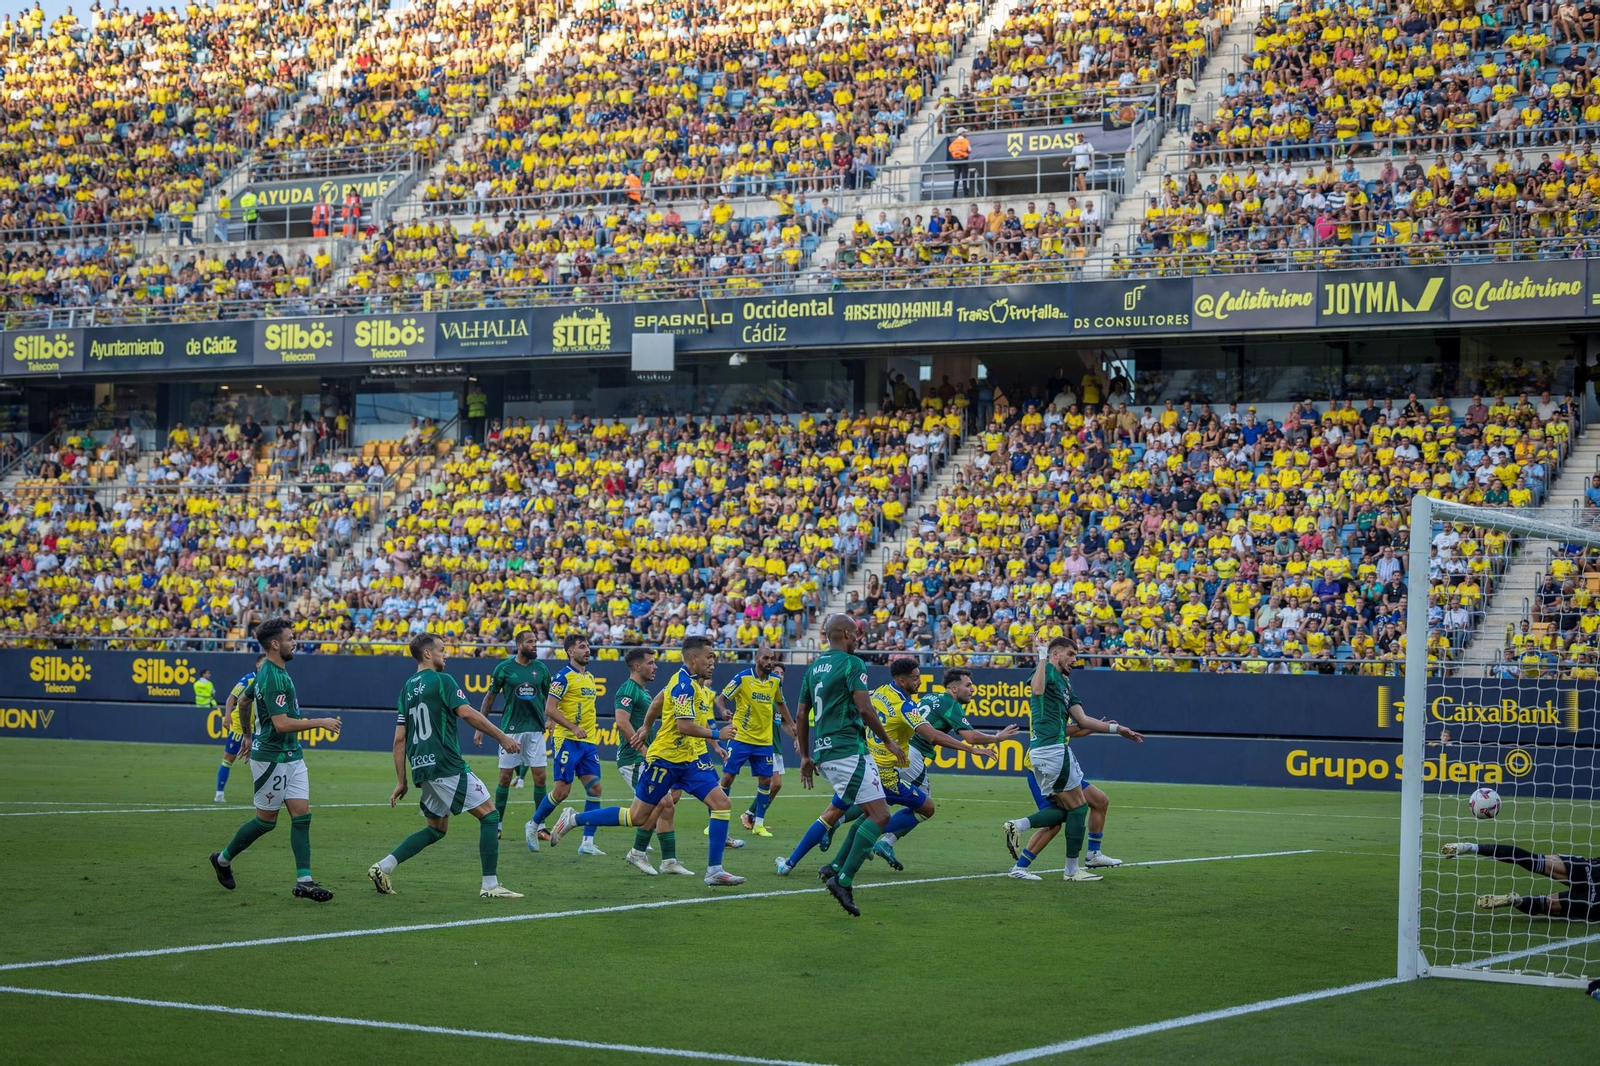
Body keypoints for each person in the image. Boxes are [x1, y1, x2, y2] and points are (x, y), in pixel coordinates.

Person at [549, 637, 747, 887]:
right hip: (664, 761)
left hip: (689, 761)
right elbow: (683, 726)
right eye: (709, 657)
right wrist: (719, 734)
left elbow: (657, 702)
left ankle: (714, 870)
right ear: (694, 658)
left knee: (721, 803)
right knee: (637, 817)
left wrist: (644, 726)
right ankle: (575, 819)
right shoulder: (684, 685)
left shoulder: (685, 682)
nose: (713, 663)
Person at [367, 634, 524, 899]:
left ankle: (384, 866)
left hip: (422, 768)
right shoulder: (442, 680)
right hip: (446, 764)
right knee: (490, 815)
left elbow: (399, 738)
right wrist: (502, 737)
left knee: (437, 828)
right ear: (427, 654)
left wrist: (402, 780)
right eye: (442, 649)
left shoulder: (406, 689)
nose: (446, 654)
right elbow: (467, 713)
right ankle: (490, 885)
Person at [810, 657, 998, 874]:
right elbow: (964, 736)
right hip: (909, 755)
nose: (972, 689)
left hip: (894, 750)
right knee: (923, 805)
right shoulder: (945, 703)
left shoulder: (927, 697)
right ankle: (877, 840)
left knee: (876, 798)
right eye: (968, 685)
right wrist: (990, 741)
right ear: (954, 688)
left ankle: (845, 831)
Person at [208, 619, 341, 902]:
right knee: (266, 822)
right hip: (272, 758)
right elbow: (281, 724)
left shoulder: (270, 673)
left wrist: (246, 734)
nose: (295, 643)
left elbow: (244, 702)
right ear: (274, 644)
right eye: (290, 638)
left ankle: (304, 881)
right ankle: (222, 860)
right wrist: (320, 722)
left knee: (302, 817)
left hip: (292, 756)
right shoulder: (272, 677)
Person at [780, 615, 903, 917]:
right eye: (856, 635)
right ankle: (843, 879)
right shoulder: (852, 664)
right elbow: (864, 707)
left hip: (824, 753)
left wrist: (806, 757)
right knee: (882, 815)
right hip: (849, 749)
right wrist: (888, 741)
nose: (859, 639)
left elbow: (800, 716)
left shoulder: (812, 669)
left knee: (865, 810)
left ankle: (833, 867)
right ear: (846, 634)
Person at [1001, 638, 1143, 883]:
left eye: (1076, 655)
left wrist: (1116, 728)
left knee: (1093, 802)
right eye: (1070, 654)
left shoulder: (1065, 684)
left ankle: (1089, 855)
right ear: (1056, 654)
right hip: (1051, 752)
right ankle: (1067, 868)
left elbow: (1083, 722)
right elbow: (1036, 689)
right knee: (1075, 811)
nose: (1074, 659)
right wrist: (1042, 655)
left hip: (1054, 752)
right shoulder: (1045, 671)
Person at [525, 635, 605, 854]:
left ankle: (587, 843)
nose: (587, 650)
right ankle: (533, 825)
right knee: (562, 792)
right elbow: (550, 709)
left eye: (587, 646)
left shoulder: (588, 677)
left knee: (595, 788)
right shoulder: (563, 677)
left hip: (587, 742)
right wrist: (572, 727)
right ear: (570, 652)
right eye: (581, 647)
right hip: (568, 740)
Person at [474, 628, 551, 850]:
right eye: (530, 642)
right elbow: (490, 698)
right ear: (519, 645)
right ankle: (497, 824)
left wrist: (550, 719)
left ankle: (540, 825)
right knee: (505, 778)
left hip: (536, 729)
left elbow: (549, 698)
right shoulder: (504, 668)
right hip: (511, 730)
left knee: (540, 778)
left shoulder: (541, 669)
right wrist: (480, 727)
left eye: (535, 641)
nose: (535, 645)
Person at [715, 644, 795, 837]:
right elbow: (721, 698)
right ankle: (716, 821)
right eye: (766, 658)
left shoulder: (775, 681)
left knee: (766, 780)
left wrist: (792, 724)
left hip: (764, 741)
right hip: (741, 737)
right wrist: (723, 710)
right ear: (757, 659)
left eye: (772, 659)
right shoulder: (743, 677)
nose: (769, 662)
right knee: (727, 777)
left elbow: (780, 703)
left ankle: (758, 824)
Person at [1443, 842, 1597, 919]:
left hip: (1593, 874)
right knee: (1547, 903)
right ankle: (1517, 901)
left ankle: (1471, 847)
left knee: (1532, 861)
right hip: (1595, 890)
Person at [613, 646, 665, 875]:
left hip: (645, 757)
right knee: (661, 802)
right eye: (651, 663)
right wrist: (643, 749)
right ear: (637, 666)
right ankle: (639, 851)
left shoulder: (643, 691)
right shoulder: (628, 689)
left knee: (665, 802)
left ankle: (665, 857)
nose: (655, 667)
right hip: (633, 759)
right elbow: (622, 722)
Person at [213, 655, 264, 803]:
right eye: (261, 664)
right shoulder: (248, 679)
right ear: (257, 665)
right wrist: (227, 716)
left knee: (261, 760)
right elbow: (231, 697)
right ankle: (219, 793)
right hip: (239, 725)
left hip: (259, 726)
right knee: (229, 757)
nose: (263, 667)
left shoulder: (270, 680)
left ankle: (264, 796)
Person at [949, 126, 973, 198]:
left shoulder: (954, 142)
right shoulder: (965, 141)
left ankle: (954, 194)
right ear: (962, 133)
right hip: (963, 160)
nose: (965, 133)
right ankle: (966, 194)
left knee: (956, 178)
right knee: (964, 178)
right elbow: (969, 150)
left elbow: (950, 149)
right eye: (964, 132)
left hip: (955, 161)